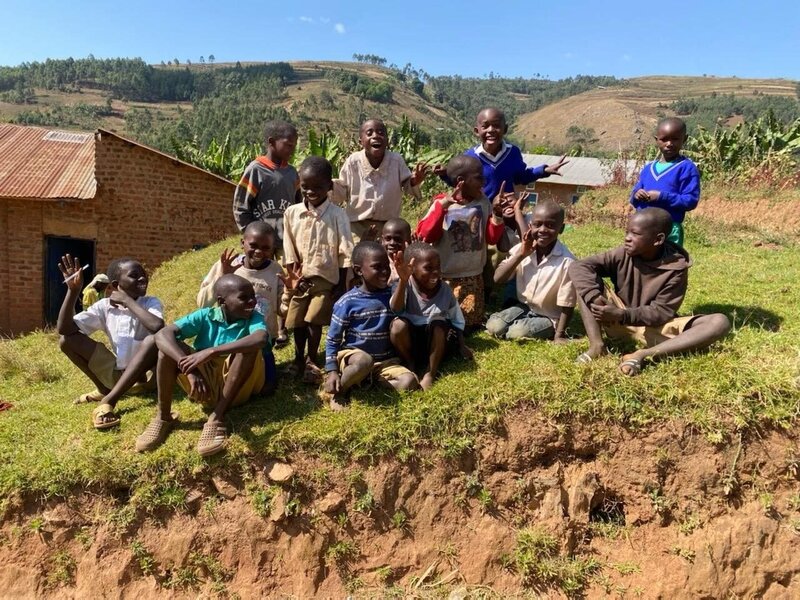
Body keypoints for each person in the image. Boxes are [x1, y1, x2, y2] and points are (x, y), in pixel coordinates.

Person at [569, 207, 730, 375]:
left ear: (658, 239)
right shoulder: (622, 254)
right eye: (627, 232)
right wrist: (596, 299)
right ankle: (597, 346)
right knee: (585, 283)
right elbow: (579, 266)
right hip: (615, 319)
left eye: (635, 234)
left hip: (652, 328)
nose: (627, 239)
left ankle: (642, 355)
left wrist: (622, 315)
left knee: (719, 322)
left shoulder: (676, 268)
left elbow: (662, 311)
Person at [135, 274, 268, 457]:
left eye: (252, 296)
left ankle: (217, 418)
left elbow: (260, 338)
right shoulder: (205, 316)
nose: (251, 302)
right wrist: (191, 371)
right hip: (204, 388)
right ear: (222, 301)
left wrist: (211, 351)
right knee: (166, 349)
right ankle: (163, 417)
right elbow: (162, 335)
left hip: (238, 388)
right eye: (243, 298)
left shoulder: (254, 317)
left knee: (249, 347)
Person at [57, 256, 164, 429]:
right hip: (118, 376)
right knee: (66, 341)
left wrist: (127, 301)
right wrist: (73, 291)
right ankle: (103, 389)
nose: (142, 278)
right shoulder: (104, 306)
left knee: (152, 340)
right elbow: (65, 329)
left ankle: (109, 400)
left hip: (147, 378)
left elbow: (157, 326)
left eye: (143, 274)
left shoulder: (149, 302)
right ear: (115, 285)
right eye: (134, 275)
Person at [283, 156, 354, 384]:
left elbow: (345, 250)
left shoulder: (337, 214)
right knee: (298, 321)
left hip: (326, 279)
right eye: (305, 187)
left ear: (329, 187)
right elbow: (288, 246)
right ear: (299, 185)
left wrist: (343, 283)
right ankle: (298, 358)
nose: (311, 192)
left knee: (314, 321)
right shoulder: (291, 213)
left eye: (318, 187)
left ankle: (312, 360)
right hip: (299, 278)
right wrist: (293, 274)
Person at [324, 242, 419, 410]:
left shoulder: (391, 293)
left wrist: (404, 281)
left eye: (386, 267)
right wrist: (332, 370)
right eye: (377, 267)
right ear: (359, 270)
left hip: (384, 362)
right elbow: (333, 339)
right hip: (355, 357)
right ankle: (340, 391)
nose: (384, 272)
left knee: (409, 381)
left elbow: (398, 308)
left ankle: (367, 382)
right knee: (364, 361)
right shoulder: (347, 302)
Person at [415, 155, 507, 328]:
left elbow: (491, 237)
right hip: (446, 276)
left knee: (468, 322)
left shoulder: (482, 202)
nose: (483, 181)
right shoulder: (441, 203)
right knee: (441, 319)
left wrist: (497, 214)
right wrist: (442, 208)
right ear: (461, 181)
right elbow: (426, 235)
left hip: (472, 276)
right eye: (478, 177)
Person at [232, 119, 300, 346]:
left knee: (283, 283)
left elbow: (299, 204)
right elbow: (241, 205)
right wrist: (251, 234)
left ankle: (283, 328)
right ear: (272, 142)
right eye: (288, 144)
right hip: (262, 244)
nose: (292, 149)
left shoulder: (292, 174)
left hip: (286, 241)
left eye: (294, 145)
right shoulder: (256, 170)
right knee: (262, 284)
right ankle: (258, 324)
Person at [197, 221, 283, 395]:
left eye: (266, 248)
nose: (259, 252)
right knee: (226, 383)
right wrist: (223, 275)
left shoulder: (276, 270)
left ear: (273, 249)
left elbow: (282, 309)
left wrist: (292, 292)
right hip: (228, 336)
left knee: (267, 389)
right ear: (243, 243)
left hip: (261, 339)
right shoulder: (225, 265)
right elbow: (202, 303)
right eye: (253, 245)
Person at [487, 202, 576, 341]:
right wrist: (521, 255)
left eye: (551, 225)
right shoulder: (522, 249)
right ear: (530, 226)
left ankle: (538, 329)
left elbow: (568, 304)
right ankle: (515, 323)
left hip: (549, 316)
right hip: (524, 308)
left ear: (561, 228)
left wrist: (560, 334)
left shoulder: (567, 262)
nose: (543, 230)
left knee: (516, 333)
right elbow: (498, 279)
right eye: (537, 224)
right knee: (494, 326)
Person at [389, 242, 473, 390]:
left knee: (439, 324)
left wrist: (461, 345)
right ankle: (410, 364)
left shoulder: (445, 290)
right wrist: (403, 281)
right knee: (397, 326)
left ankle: (430, 373)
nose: (435, 272)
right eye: (428, 268)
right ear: (412, 268)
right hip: (412, 341)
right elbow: (396, 309)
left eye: (438, 267)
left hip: (436, 344)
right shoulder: (405, 285)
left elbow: (457, 320)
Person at [435, 107, 568, 200]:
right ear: (476, 131)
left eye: (496, 125)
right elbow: (460, 183)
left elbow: (521, 177)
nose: (491, 130)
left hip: (506, 210)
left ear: (505, 129)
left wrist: (544, 170)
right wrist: (444, 174)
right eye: (485, 126)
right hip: (478, 209)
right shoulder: (470, 157)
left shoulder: (513, 153)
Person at [333, 118, 428, 244]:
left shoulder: (396, 161)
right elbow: (342, 189)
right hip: (357, 227)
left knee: (387, 260)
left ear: (387, 141)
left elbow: (407, 184)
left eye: (381, 133)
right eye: (369, 133)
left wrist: (415, 181)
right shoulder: (353, 162)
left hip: (388, 228)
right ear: (361, 141)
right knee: (357, 258)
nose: (376, 136)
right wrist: (328, 186)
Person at [629, 117, 700, 246]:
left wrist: (662, 197)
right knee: (640, 263)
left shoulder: (686, 168)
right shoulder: (648, 169)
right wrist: (637, 194)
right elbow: (634, 196)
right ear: (657, 140)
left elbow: (690, 201)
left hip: (669, 229)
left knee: (668, 264)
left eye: (675, 139)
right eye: (664, 139)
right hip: (642, 227)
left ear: (684, 139)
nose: (669, 143)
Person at [380, 217, 412, 285]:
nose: (392, 243)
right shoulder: (378, 262)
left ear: (408, 240)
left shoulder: (413, 262)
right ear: (382, 240)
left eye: (398, 239)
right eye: (388, 239)